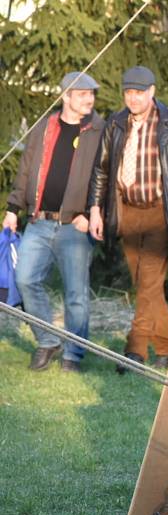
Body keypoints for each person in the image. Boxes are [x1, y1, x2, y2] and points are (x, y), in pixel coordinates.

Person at [87, 66, 168, 372]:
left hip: (161, 211)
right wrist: (94, 209)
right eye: (128, 93)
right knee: (146, 285)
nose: (133, 98)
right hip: (126, 211)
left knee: (148, 282)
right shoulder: (116, 123)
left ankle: (135, 351)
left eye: (139, 93)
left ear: (152, 92)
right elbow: (101, 169)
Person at [3, 72, 104, 373]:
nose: (89, 99)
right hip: (39, 222)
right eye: (83, 93)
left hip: (76, 225)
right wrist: (12, 208)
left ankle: (73, 354)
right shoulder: (44, 128)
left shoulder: (98, 130)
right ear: (66, 96)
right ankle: (47, 341)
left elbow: (105, 176)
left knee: (76, 293)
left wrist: (93, 211)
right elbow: (25, 171)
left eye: (92, 94)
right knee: (24, 279)